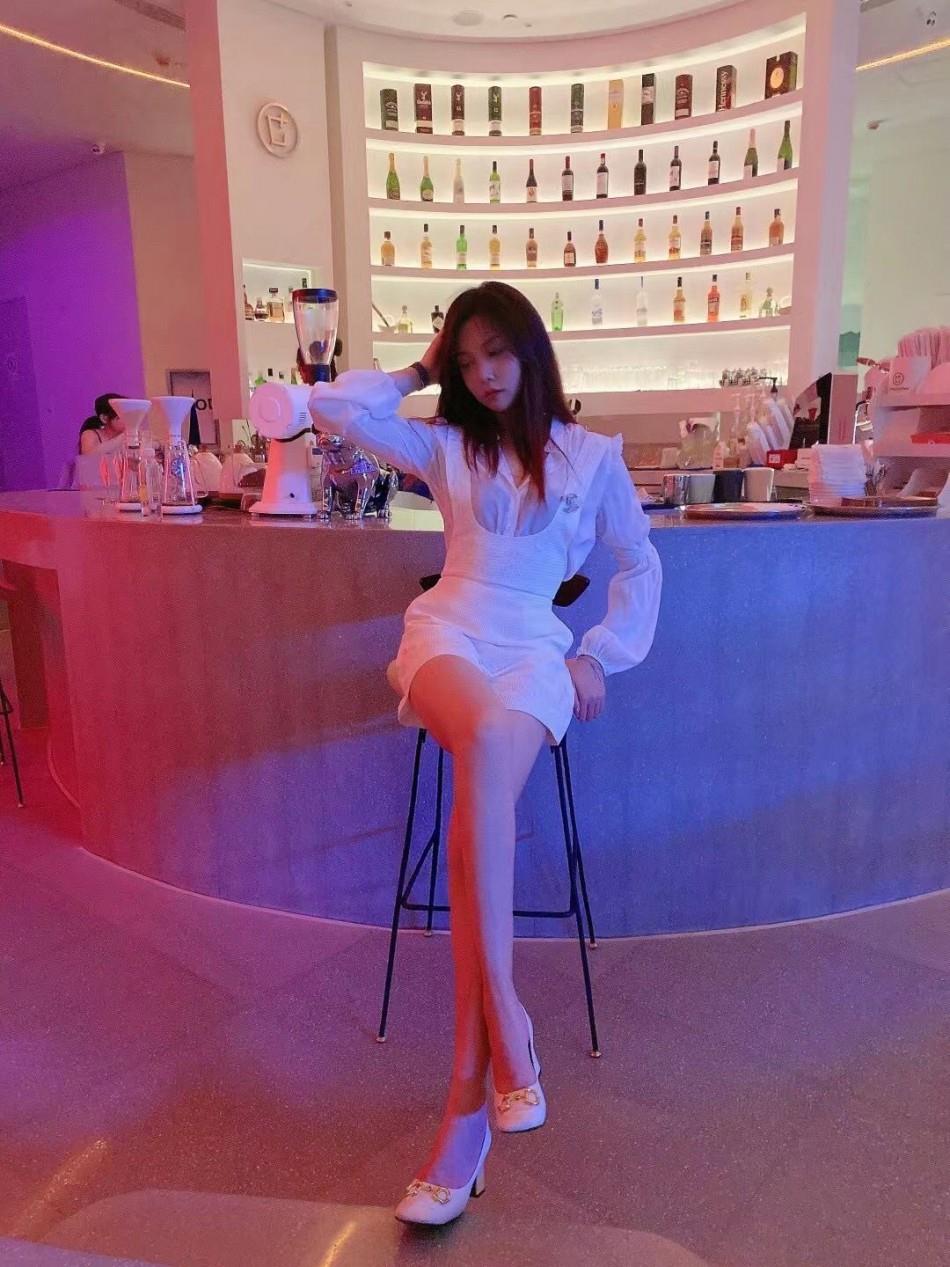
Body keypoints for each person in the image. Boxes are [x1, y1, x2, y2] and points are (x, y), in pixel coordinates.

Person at [309, 281, 662, 1227]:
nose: (484, 374)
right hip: (448, 634)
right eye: (466, 361)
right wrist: (419, 368)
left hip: (538, 648)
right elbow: (330, 407)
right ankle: (506, 1012)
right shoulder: (444, 444)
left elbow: (640, 560)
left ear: (531, 350)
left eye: (497, 352)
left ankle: (467, 1105)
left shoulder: (592, 457)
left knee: (481, 791)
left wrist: (597, 654)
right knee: (480, 741)